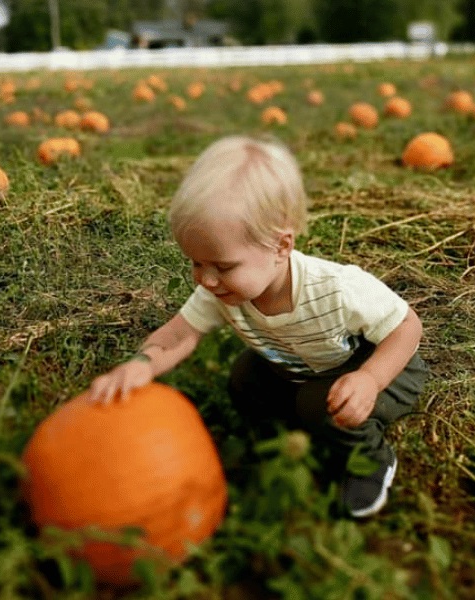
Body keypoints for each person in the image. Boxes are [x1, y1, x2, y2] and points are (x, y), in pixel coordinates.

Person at [87, 134, 428, 518]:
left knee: (319, 404)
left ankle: (370, 460)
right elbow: (180, 334)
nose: (206, 280)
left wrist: (370, 379)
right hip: (302, 368)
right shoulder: (221, 293)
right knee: (245, 377)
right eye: (196, 263)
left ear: (281, 247)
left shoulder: (336, 289)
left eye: (223, 266)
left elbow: (406, 328)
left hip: (386, 366)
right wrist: (142, 364)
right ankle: (285, 439)